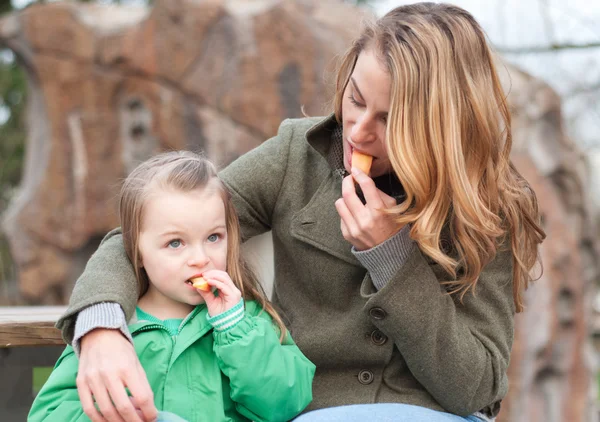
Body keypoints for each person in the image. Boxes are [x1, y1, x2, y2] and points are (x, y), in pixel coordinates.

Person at [55, 3, 545, 422]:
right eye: (355, 99)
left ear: (441, 126)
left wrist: (393, 257)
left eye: (390, 121)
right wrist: (100, 329)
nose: (357, 131)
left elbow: (479, 388)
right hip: (312, 411)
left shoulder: (491, 204)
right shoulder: (297, 154)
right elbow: (148, 230)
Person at [29, 151, 315, 422]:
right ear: (137, 252)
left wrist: (235, 330)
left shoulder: (248, 319)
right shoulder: (112, 333)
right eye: (175, 243)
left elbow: (285, 403)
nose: (200, 259)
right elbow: (48, 413)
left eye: (213, 237)